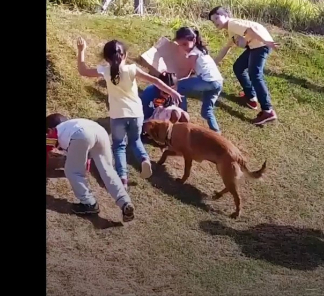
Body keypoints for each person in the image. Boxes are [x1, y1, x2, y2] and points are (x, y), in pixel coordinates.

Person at [75, 37, 182, 188]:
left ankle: (123, 178)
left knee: (119, 146)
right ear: (124, 55)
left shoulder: (105, 71)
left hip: (118, 115)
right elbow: (155, 81)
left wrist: (82, 51)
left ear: (106, 58)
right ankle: (144, 160)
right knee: (135, 141)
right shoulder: (132, 69)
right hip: (136, 114)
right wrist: (172, 92)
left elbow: (83, 70)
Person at [46, 113, 135, 222]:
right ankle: (125, 202)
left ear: (49, 129)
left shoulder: (54, 131)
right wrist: (86, 164)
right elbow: (85, 150)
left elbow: (47, 148)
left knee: (72, 171)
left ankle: (89, 203)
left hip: (82, 135)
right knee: (108, 170)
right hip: (100, 132)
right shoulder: (72, 124)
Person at [208, 6, 280, 125]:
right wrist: (211, 66)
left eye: (217, 18)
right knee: (238, 67)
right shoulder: (231, 30)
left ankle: (268, 110)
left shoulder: (232, 23)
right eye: (213, 21)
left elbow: (250, 30)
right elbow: (225, 49)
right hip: (256, 46)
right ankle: (251, 97)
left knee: (255, 75)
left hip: (261, 45)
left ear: (226, 16)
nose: (215, 22)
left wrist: (265, 41)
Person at [173, 27, 224, 133]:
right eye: (181, 45)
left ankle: (183, 117)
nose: (184, 47)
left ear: (194, 40)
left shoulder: (193, 54)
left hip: (208, 81)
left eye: (185, 44)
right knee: (206, 111)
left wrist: (175, 81)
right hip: (218, 82)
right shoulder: (202, 50)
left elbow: (187, 72)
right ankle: (216, 132)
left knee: (180, 86)